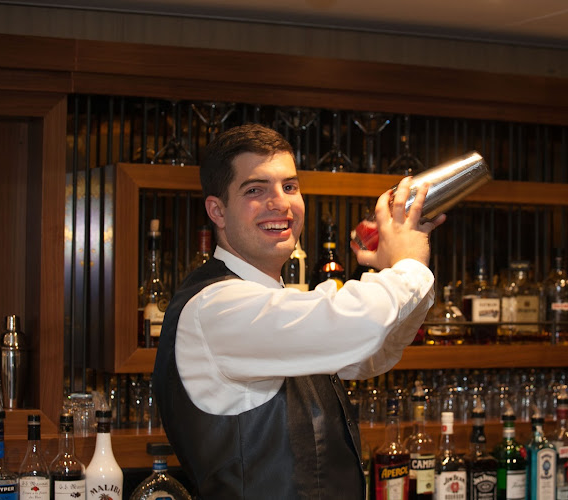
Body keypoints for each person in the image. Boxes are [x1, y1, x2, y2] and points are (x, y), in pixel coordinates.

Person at [153, 123, 445, 499]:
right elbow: (355, 325)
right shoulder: (214, 308)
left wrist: (398, 269)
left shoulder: (272, 301)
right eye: (255, 190)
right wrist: (408, 265)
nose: (281, 203)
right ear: (217, 211)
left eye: (289, 187)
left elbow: (371, 355)